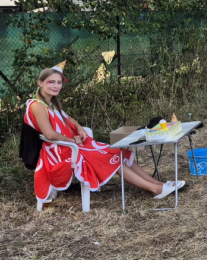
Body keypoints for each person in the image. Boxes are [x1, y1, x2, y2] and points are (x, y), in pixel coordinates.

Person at [24, 63, 183, 203]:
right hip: (59, 152)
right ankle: (154, 189)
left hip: (73, 146)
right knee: (111, 157)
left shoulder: (51, 103)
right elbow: (50, 135)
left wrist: (79, 127)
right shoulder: (37, 106)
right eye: (51, 82)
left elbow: (68, 118)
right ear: (40, 83)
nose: (56, 86)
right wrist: (73, 140)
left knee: (118, 151)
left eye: (58, 82)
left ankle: (158, 184)